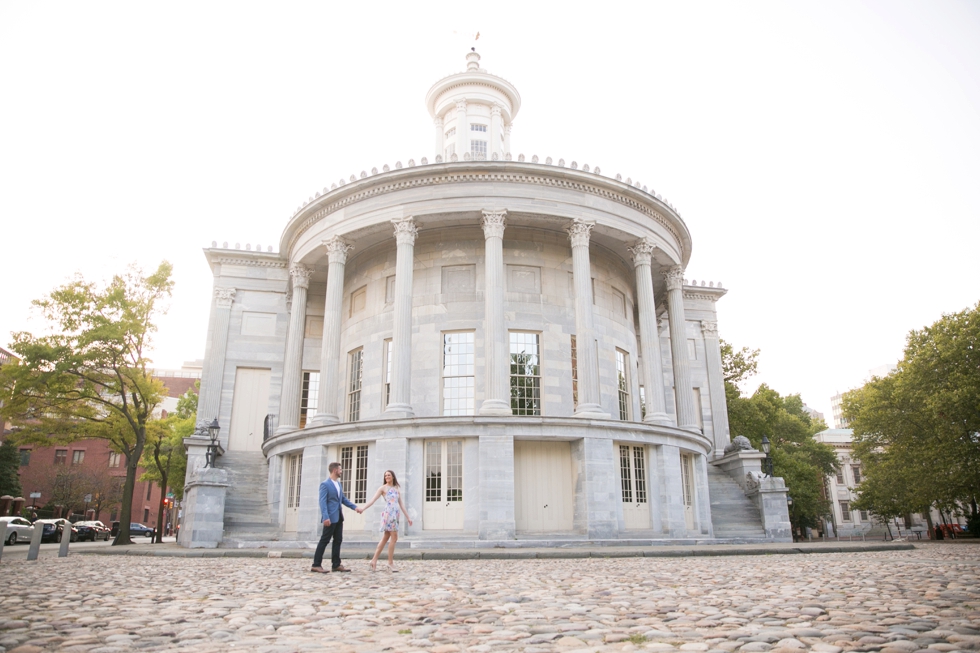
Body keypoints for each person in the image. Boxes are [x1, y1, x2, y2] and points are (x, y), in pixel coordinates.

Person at [311, 462, 362, 573]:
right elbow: (322, 502)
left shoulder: (338, 484)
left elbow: (342, 499)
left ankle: (336, 564)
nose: (341, 471)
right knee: (324, 540)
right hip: (329, 518)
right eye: (340, 469)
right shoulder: (325, 484)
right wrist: (325, 517)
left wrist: (355, 507)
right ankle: (316, 564)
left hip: (339, 517)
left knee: (338, 540)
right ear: (335, 470)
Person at [360, 470, 412, 572]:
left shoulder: (396, 489)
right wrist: (363, 508)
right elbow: (372, 500)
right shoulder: (383, 488)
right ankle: (390, 563)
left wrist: (408, 517)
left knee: (386, 537)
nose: (387, 477)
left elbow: (401, 504)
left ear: (393, 476)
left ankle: (373, 561)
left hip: (395, 515)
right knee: (394, 538)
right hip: (389, 514)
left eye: (389, 475)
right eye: (385, 475)